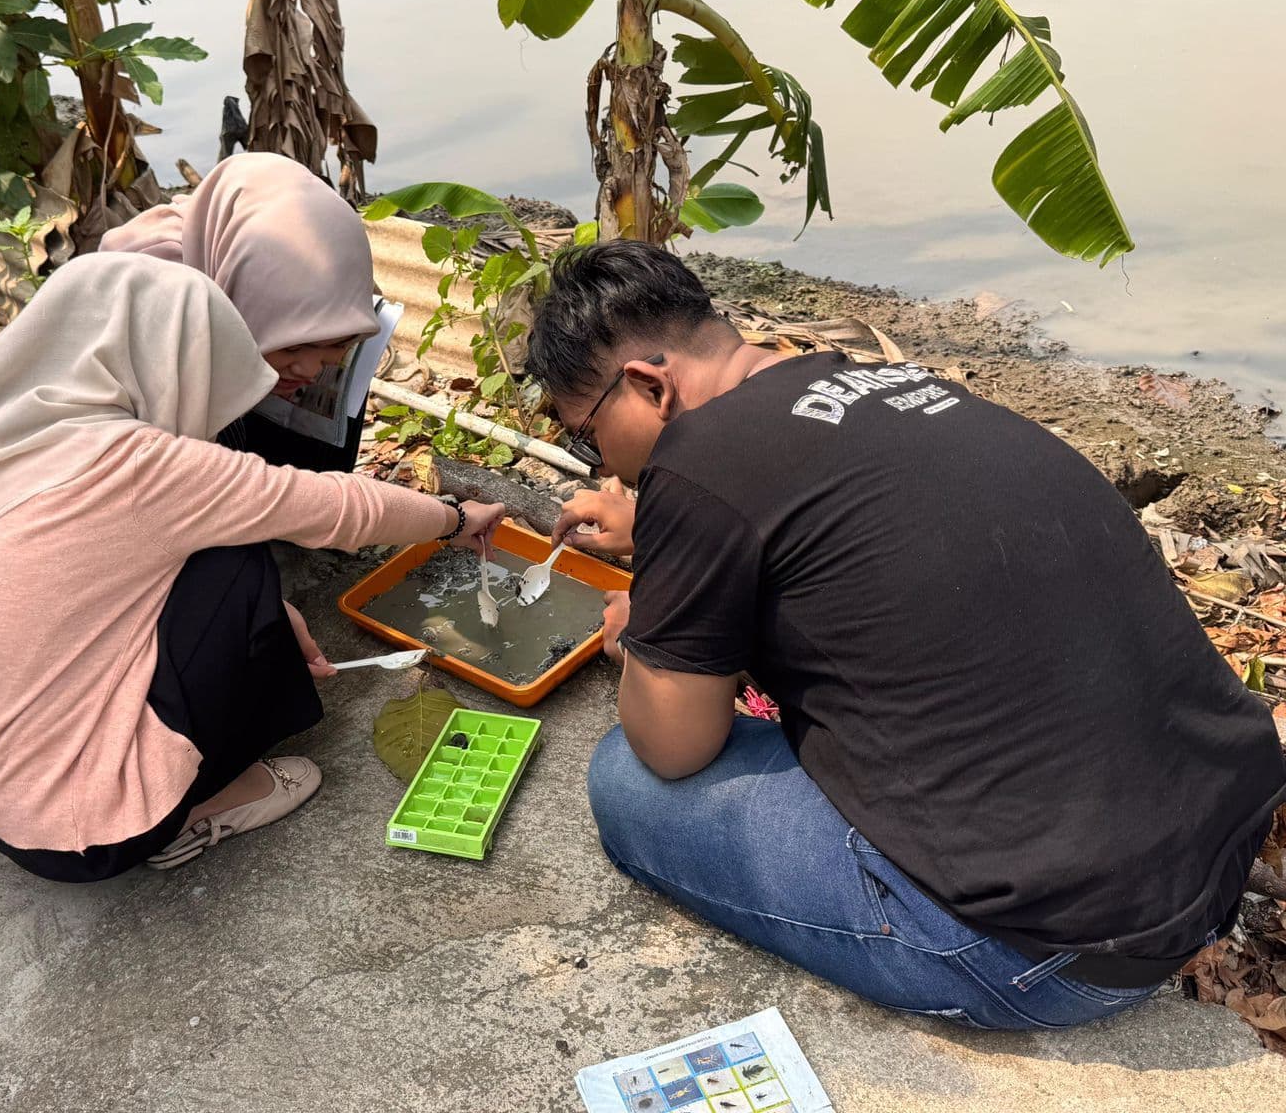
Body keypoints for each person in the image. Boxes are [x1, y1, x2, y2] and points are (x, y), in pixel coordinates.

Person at [529, 240, 1286, 1031]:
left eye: (587, 433)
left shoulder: (699, 458)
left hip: (1039, 946)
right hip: (1204, 871)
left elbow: (672, 747)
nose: (602, 463)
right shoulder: (892, 385)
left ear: (649, 385)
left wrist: (648, 634)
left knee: (624, 779)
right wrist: (661, 538)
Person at [0, 232, 502, 883]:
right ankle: (191, 807)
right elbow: (334, 508)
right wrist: (455, 519)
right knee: (238, 562)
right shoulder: (130, 463)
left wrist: (275, 611)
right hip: (79, 833)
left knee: (213, 564)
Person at [102, 153, 371, 473]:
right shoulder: (151, 301)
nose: (310, 370)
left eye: (338, 345)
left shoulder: (247, 270)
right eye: (293, 347)